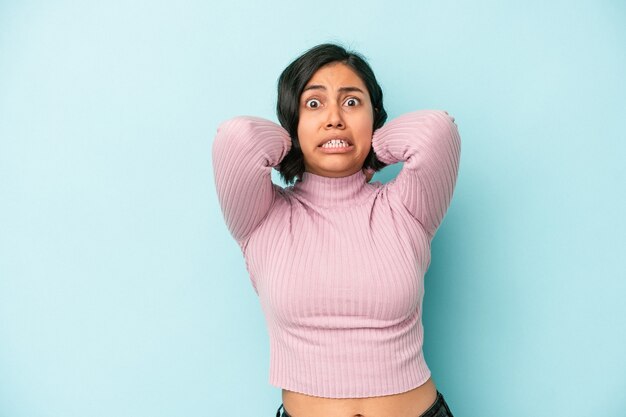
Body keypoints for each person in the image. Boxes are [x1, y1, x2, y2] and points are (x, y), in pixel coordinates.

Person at [212, 43, 461, 417]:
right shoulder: (262, 216)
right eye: (314, 104)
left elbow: (437, 129)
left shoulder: (407, 208)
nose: (334, 119)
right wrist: (295, 142)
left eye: (351, 103)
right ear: (293, 119)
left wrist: (370, 146)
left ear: (374, 117)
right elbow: (236, 138)